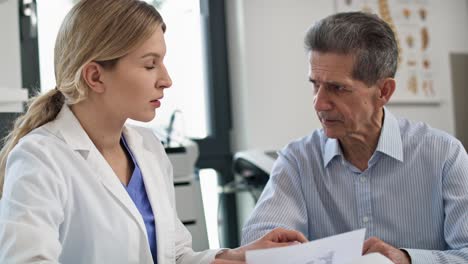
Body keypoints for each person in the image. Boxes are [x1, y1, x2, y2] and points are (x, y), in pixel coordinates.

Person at [0, 1, 307, 263]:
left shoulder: (147, 147)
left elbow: (174, 256)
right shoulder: (40, 159)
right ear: (95, 76)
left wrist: (240, 256)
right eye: (150, 65)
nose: (166, 79)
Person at [241, 11, 468, 264]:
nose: (319, 103)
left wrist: (406, 259)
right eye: (315, 84)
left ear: (384, 91)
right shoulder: (298, 160)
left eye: (338, 88)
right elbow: (259, 248)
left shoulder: (444, 155)